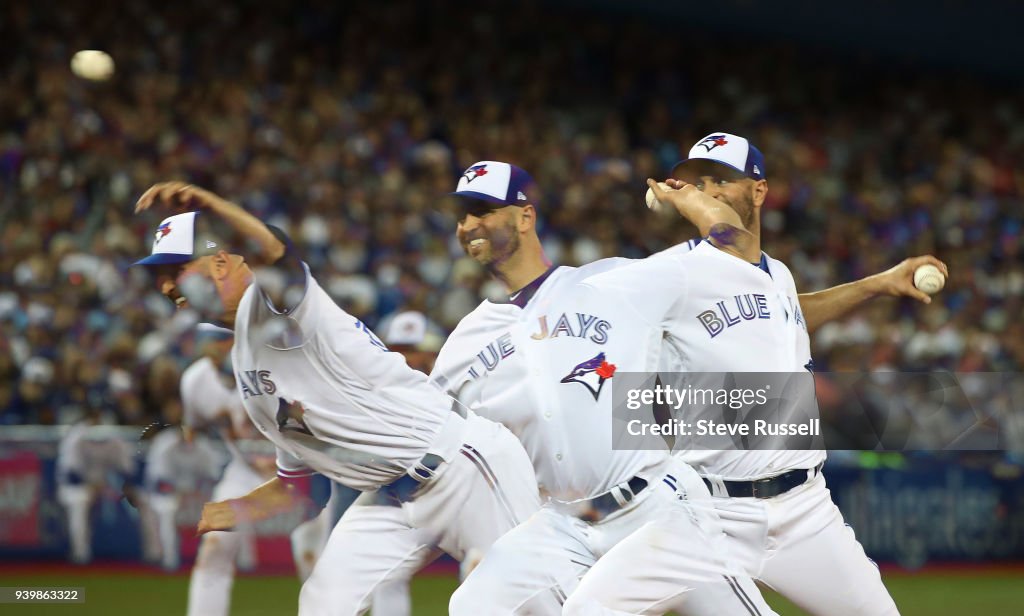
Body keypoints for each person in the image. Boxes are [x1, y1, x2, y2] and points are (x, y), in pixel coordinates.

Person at [561, 132, 946, 614]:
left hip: (805, 510)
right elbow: (589, 301)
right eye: (700, 182)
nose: (710, 191)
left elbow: (787, 313)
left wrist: (877, 285)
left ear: (759, 191)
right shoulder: (676, 272)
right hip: (708, 513)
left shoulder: (775, 273)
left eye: (722, 180)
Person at [131, 182, 540, 616]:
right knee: (323, 604)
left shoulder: (273, 306)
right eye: (158, 277)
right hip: (392, 498)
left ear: (218, 264)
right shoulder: (245, 362)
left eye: (173, 272)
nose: (164, 287)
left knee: (534, 603)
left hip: (463, 467)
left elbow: (276, 253)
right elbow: (300, 484)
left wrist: (212, 205)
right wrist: (241, 507)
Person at [437, 161, 777, 615]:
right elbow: (419, 423)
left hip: (657, 508)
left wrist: (689, 201)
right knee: (474, 606)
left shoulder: (613, 282)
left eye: (483, 210)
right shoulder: (469, 337)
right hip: (563, 524)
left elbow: (736, 254)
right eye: (462, 215)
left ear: (524, 217)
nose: (468, 225)